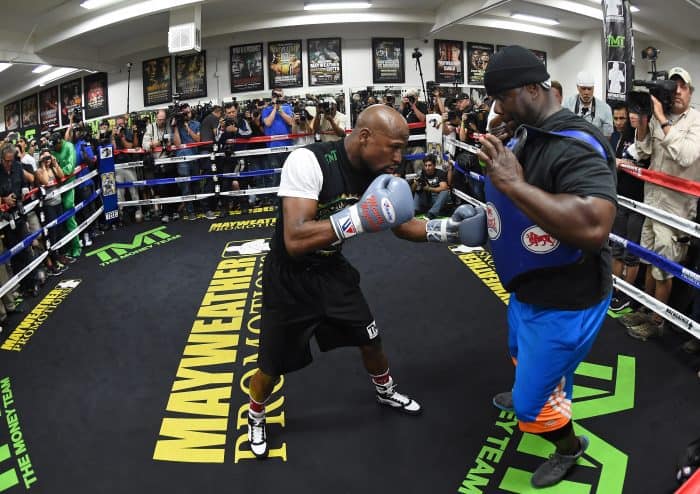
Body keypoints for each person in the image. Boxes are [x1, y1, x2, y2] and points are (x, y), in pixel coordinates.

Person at [245, 104, 486, 459]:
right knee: (271, 365)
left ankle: (385, 390)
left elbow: (403, 226)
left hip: (332, 271)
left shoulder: (380, 173)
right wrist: (356, 217)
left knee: (370, 338)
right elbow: (295, 239)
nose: (399, 157)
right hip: (289, 279)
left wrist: (449, 231)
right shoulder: (308, 162)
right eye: (393, 147)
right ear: (363, 137)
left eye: (403, 148)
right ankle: (255, 413)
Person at [478, 45, 617, 488]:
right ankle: (541, 386)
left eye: (504, 98)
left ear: (534, 89)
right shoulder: (530, 132)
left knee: (528, 403)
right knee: (521, 354)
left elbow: (594, 224)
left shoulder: (574, 143)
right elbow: (523, 208)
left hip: (567, 299)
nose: (498, 109)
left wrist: (513, 184)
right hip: (529, 288)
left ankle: (569, 447)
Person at [622, 67, 700, 340]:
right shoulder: (657, 119)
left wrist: (661, 119)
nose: (676, 91)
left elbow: (686, 156)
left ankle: (658, 322)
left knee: (663, 269)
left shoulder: (696, 122)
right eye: (672, 85)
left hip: (676, 212)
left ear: (690, 91)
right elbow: (643, 152)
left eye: (682, 86)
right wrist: (643, 124)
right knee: (648, 261)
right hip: (651, 204)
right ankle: (645, 309)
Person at [609, 105, 646, 313]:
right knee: (617, 246)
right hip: (620, 197)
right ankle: (615, 288)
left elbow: (645, 164)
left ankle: (627, 293)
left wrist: (626, 164)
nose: (620, 121)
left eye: (624, 117)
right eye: (617, 118)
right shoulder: (617, 137)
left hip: (638, 201)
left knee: (631, 250)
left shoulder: (643, 140)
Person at [563, 71, 614, 137]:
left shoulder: (605, 109)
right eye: (583, 89)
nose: (586, 92)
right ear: (577, 87)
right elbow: (563, 129)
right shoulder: (568, 104)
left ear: (593, 88)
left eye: (589, 89)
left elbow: (607, 137)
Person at [412, 154, 450, 219]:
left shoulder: (440, 173)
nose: (427, 168)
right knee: (418, 190)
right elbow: (412, 190)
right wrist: (415, 183)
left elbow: (444, 187)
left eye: (429, 165)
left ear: (434, 165)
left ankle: (431, 214)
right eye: (426, 165)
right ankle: (414, 211)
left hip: (437, 200)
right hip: (427, 199)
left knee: (445, 192)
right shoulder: (421, 173)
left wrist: (429, 188)